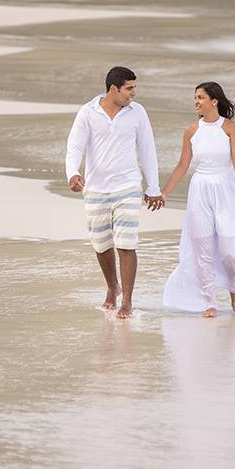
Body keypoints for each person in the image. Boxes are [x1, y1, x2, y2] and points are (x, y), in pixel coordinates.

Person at [65, 66, 164, 319]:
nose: (134, 93)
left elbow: (147, 151)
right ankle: (112, 286)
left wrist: (153, 188)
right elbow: (75, 146)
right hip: (96, 187)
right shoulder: (88, 112)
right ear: (113, 89)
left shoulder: (137, 112)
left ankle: (127, 302)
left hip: (128, 186)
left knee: (126, 243)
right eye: (129, 88)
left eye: (134, 87)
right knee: (101, 244)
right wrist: (72, 173)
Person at [159, 81, 235, 318]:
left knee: (229, 247)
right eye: (195, 97)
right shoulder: (191, 131)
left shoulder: (229, 128)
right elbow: (182, 166)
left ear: (214, 101)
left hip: (226, 188)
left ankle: (234, 287)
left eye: (200, 97)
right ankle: (208, 301)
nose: (196, 101)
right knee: (203, 249)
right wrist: (164, 192)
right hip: (200, 190)